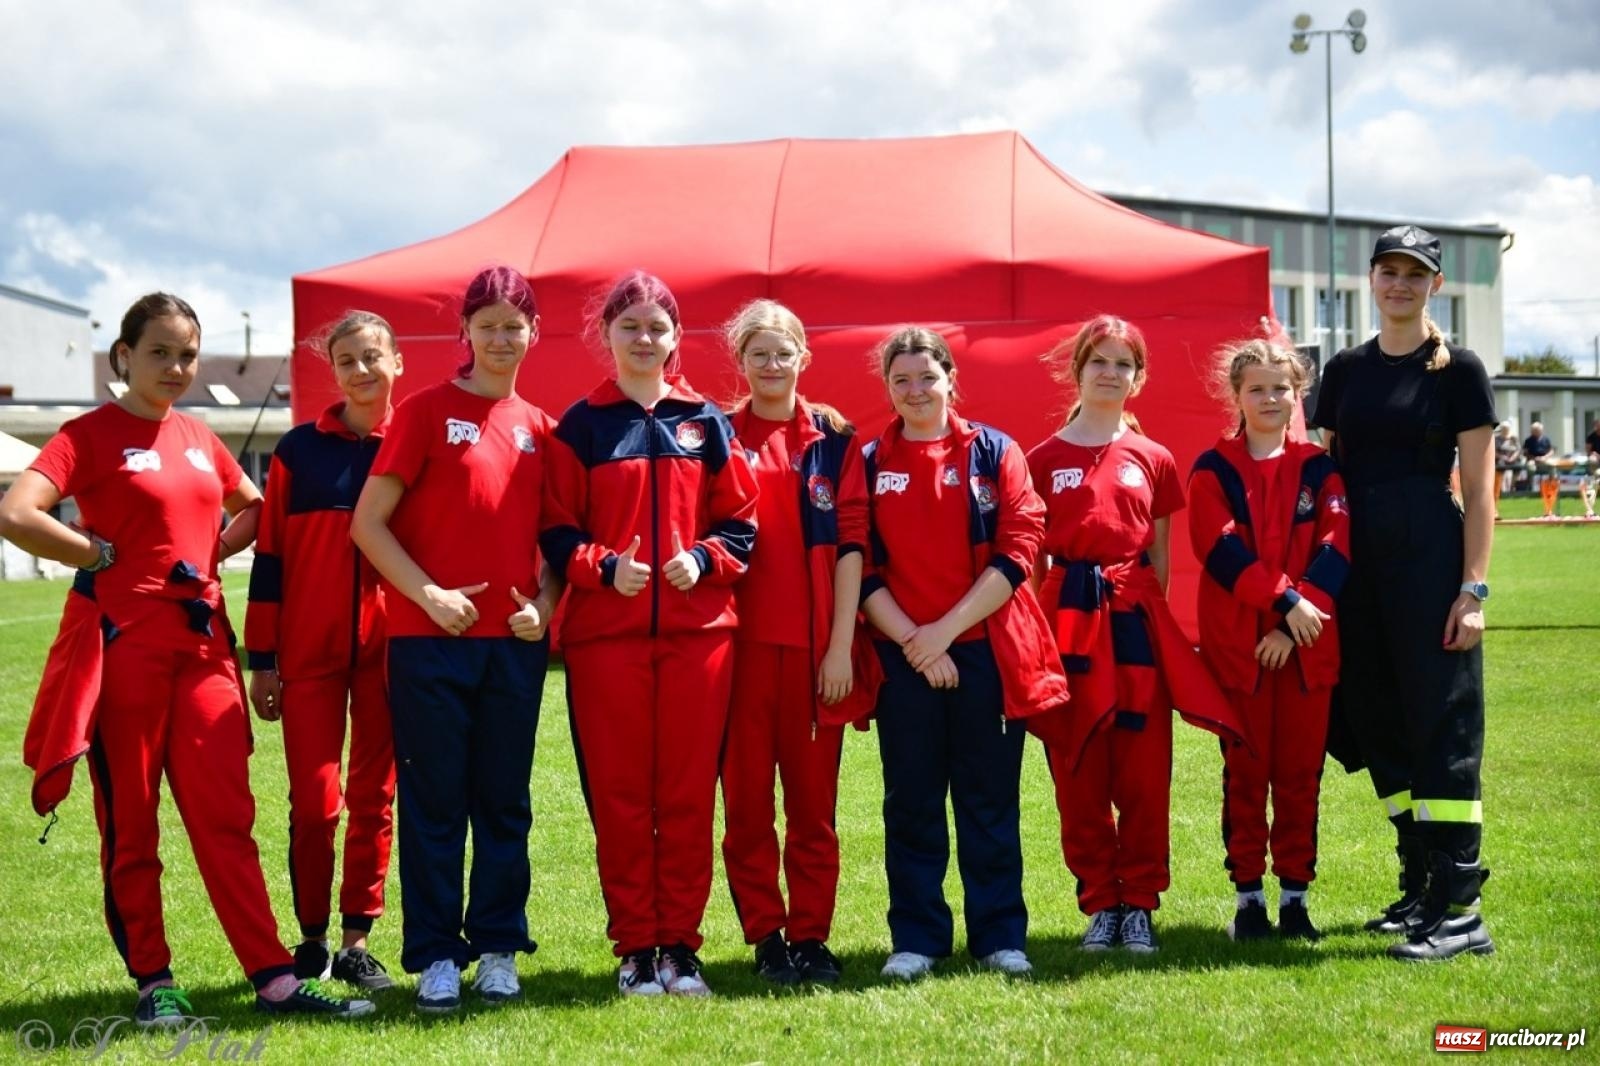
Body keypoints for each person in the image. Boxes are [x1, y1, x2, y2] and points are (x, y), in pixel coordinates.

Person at [0, 293, 372, 1024]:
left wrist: (209, 553)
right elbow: (18, 512)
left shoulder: (202, 435)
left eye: (187, 354)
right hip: (125, 650)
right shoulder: (87, 434)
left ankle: (272, 975)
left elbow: (256, 508)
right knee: (132, 823)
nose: (176, 367)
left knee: (228, 817)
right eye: (160, 352)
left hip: (205, 651)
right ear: (123, 358)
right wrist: (93, 552)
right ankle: (153, 980)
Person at [540, 271, 758, 998]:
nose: (643, 338)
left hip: (701, 640)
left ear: (675, 336)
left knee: (690, 795)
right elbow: (554, 529)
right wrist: (602, 568)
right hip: (607, 641)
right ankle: (636, 946)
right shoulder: (581, 425)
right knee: (622, 797)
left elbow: (742, 524)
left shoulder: (705, 420)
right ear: (607, 336)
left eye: (656, 327)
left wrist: (702, 560)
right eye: (629, 326)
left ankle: (682, 948)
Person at [351, 267, 561, 1011]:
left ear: (534, 332)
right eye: (489, 324)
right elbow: (367, 524)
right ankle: (438, 953)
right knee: (435, 802)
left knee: (504, 802)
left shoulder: (541, 427)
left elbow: (558, 543)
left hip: (513, 646)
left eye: (516, 324)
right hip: (425, 642)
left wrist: (544, 605)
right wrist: (430, 595)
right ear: (465, 332)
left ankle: (499, 947)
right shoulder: (423, 411)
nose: (502, 337)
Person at [1024, 315, 1245, 956]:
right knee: (1078, 766)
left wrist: (1143, 617)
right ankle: (1100, 900)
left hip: (1136, 629)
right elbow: (1035, 562)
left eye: (1123, 364)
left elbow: (1160, 561)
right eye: (1099, 361)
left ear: (1138, 378)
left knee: (1145, 773)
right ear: (1079, 370)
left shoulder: (1154, 459)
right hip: (1070, 630)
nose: (1110, 373)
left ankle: (1140, 902)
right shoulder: (1043, 459)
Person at [858, 327, 1068, 982]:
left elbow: (1020, 548)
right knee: (912, 801)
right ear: (888, 387)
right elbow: (856, 567)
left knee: (989, 801)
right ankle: (917, 938)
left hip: (983, 656)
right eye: (902, 380)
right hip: (904, 657)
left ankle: (999, 936)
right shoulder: (868, 460)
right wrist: (917, 647)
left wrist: (943, 634)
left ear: (950, 377)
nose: (916, 390)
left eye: (927, 376)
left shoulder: (994, 451)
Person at [1312, 225, 1497, 961]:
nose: (1399, 284)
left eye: (1414, 274)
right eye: (1388, 271)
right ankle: (1420, 879)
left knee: (1440, 720)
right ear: (1371, 280)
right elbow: (1319, 478)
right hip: (1355, 564)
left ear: (1434, 286)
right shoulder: (1345, 371)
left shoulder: (1461, 370)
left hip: (1429, 555)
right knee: (1372, 716)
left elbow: (1480, 491)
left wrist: (1473, 589)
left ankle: (1460, 909)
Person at [717, 299, 876, 986]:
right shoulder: (715, 434)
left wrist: (840, 647)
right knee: (747, 806)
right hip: (737, 655)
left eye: (783, 351)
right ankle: (766, 937)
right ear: (741, 360)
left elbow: (851, 547)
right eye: (759, 352)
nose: (772, 364)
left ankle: (811, 935)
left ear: (803, 357)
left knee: (813, 811)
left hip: (815, 656)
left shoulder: (834, 439)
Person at [245, 311, 401, 991]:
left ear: (397, 362)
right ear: (331, 372)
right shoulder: (297, 451)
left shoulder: (414, 443)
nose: (361, 371)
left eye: (372, 357)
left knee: (375, 798)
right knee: (316, 805)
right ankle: (308, 935)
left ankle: (356, 940)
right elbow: (270, 556)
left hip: (393, 653)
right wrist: (261, 659)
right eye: (346, 361)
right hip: (305, 655)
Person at [1188, 339, 1350, 941]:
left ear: (1297, 392)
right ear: (1236, 396)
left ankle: (1296, 899)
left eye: (1280, 387)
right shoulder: (1213, 469)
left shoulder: (1319, 468)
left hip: (1306, 650)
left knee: (1301, 776)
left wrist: (1291, 622)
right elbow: (1221, 551)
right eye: (1256, 388)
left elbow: (1337, 548)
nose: (1269, 398)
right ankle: (1249, 901)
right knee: (1247, 776)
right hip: (1242, 654)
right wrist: (1287, 604)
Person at [1492, 422, 1520, 518]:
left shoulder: (1513, 438)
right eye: (1503, 429)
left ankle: (1512, 486)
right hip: (1500, 461)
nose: (1505, 431)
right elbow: (1493, 451)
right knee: (1500, 468)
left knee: (1519, 467)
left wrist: (1512, 458)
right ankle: (1501, 488)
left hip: (1513, 460)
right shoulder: (1496, 439)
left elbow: (1518, 450)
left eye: (1506, 429)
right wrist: (1503, 457)